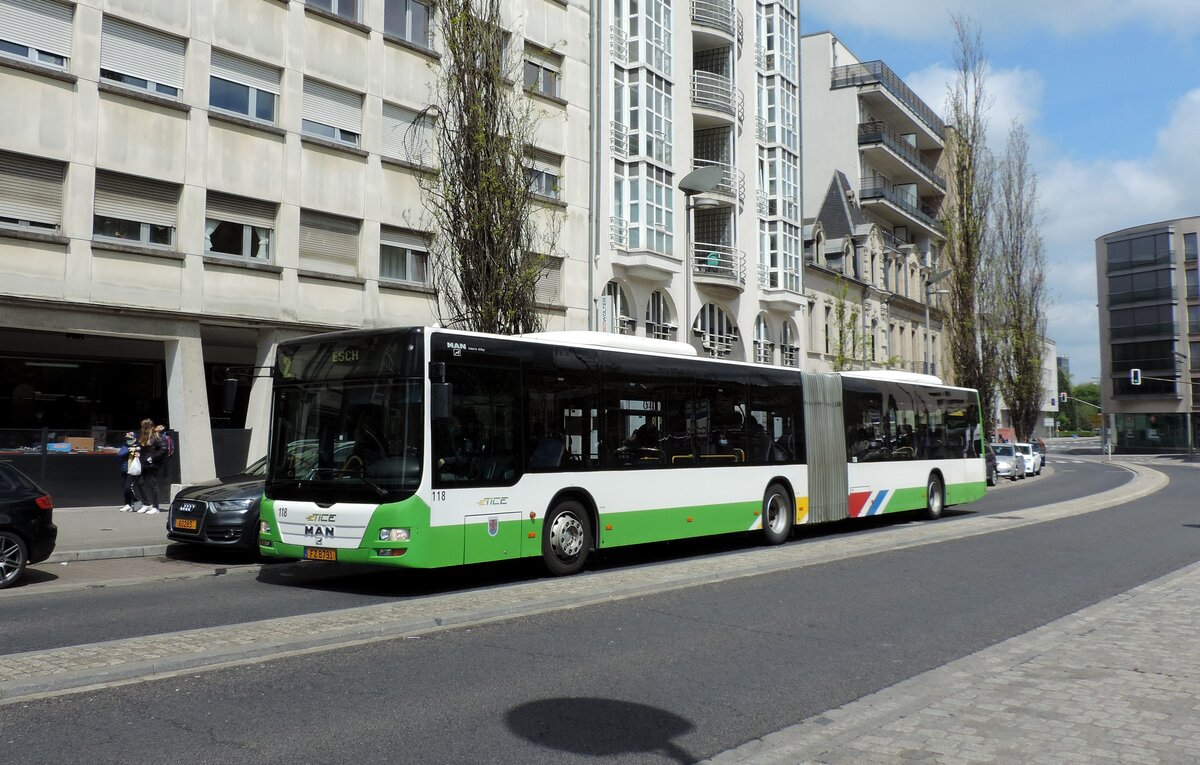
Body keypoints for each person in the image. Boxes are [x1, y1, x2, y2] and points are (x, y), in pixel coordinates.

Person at [134, 418, 164, 514]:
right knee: (139, 482)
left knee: (152, 484)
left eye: (143, 426)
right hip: (143, 462)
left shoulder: (157, 436)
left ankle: (156, 507)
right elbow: (140, 446)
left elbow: (163, 449)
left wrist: (153, 457)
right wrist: (137, 451)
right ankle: (146, 504)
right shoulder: (143, 436)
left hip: (152, 464)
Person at [117, 431, 143, 512]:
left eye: (130, 439)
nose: (128, 440)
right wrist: (129, 450)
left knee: (128, 487)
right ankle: (127, 504)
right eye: (127, 439)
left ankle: (136, 501)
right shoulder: (125, 446)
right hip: (124, 469)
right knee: (125, 488)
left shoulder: (138, 447)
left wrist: (137, 451)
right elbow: (120, 454)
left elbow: (142, 456)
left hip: (132, 470)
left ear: (135, 439)